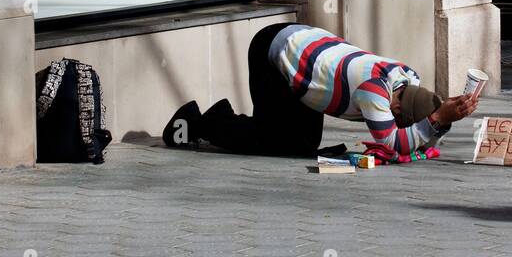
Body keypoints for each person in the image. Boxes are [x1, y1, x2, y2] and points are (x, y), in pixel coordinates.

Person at [162, 23, 478, 159]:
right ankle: (196, 122)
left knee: (303, 143)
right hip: (273, 52)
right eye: (399, 118)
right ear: (396, 109)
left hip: (306, 48)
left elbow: (420, 136)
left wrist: (445, 117)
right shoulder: (373, 91)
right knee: (273, 141)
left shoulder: (409, 77)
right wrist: (437, 118)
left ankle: (221, 117)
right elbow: (396, 145)